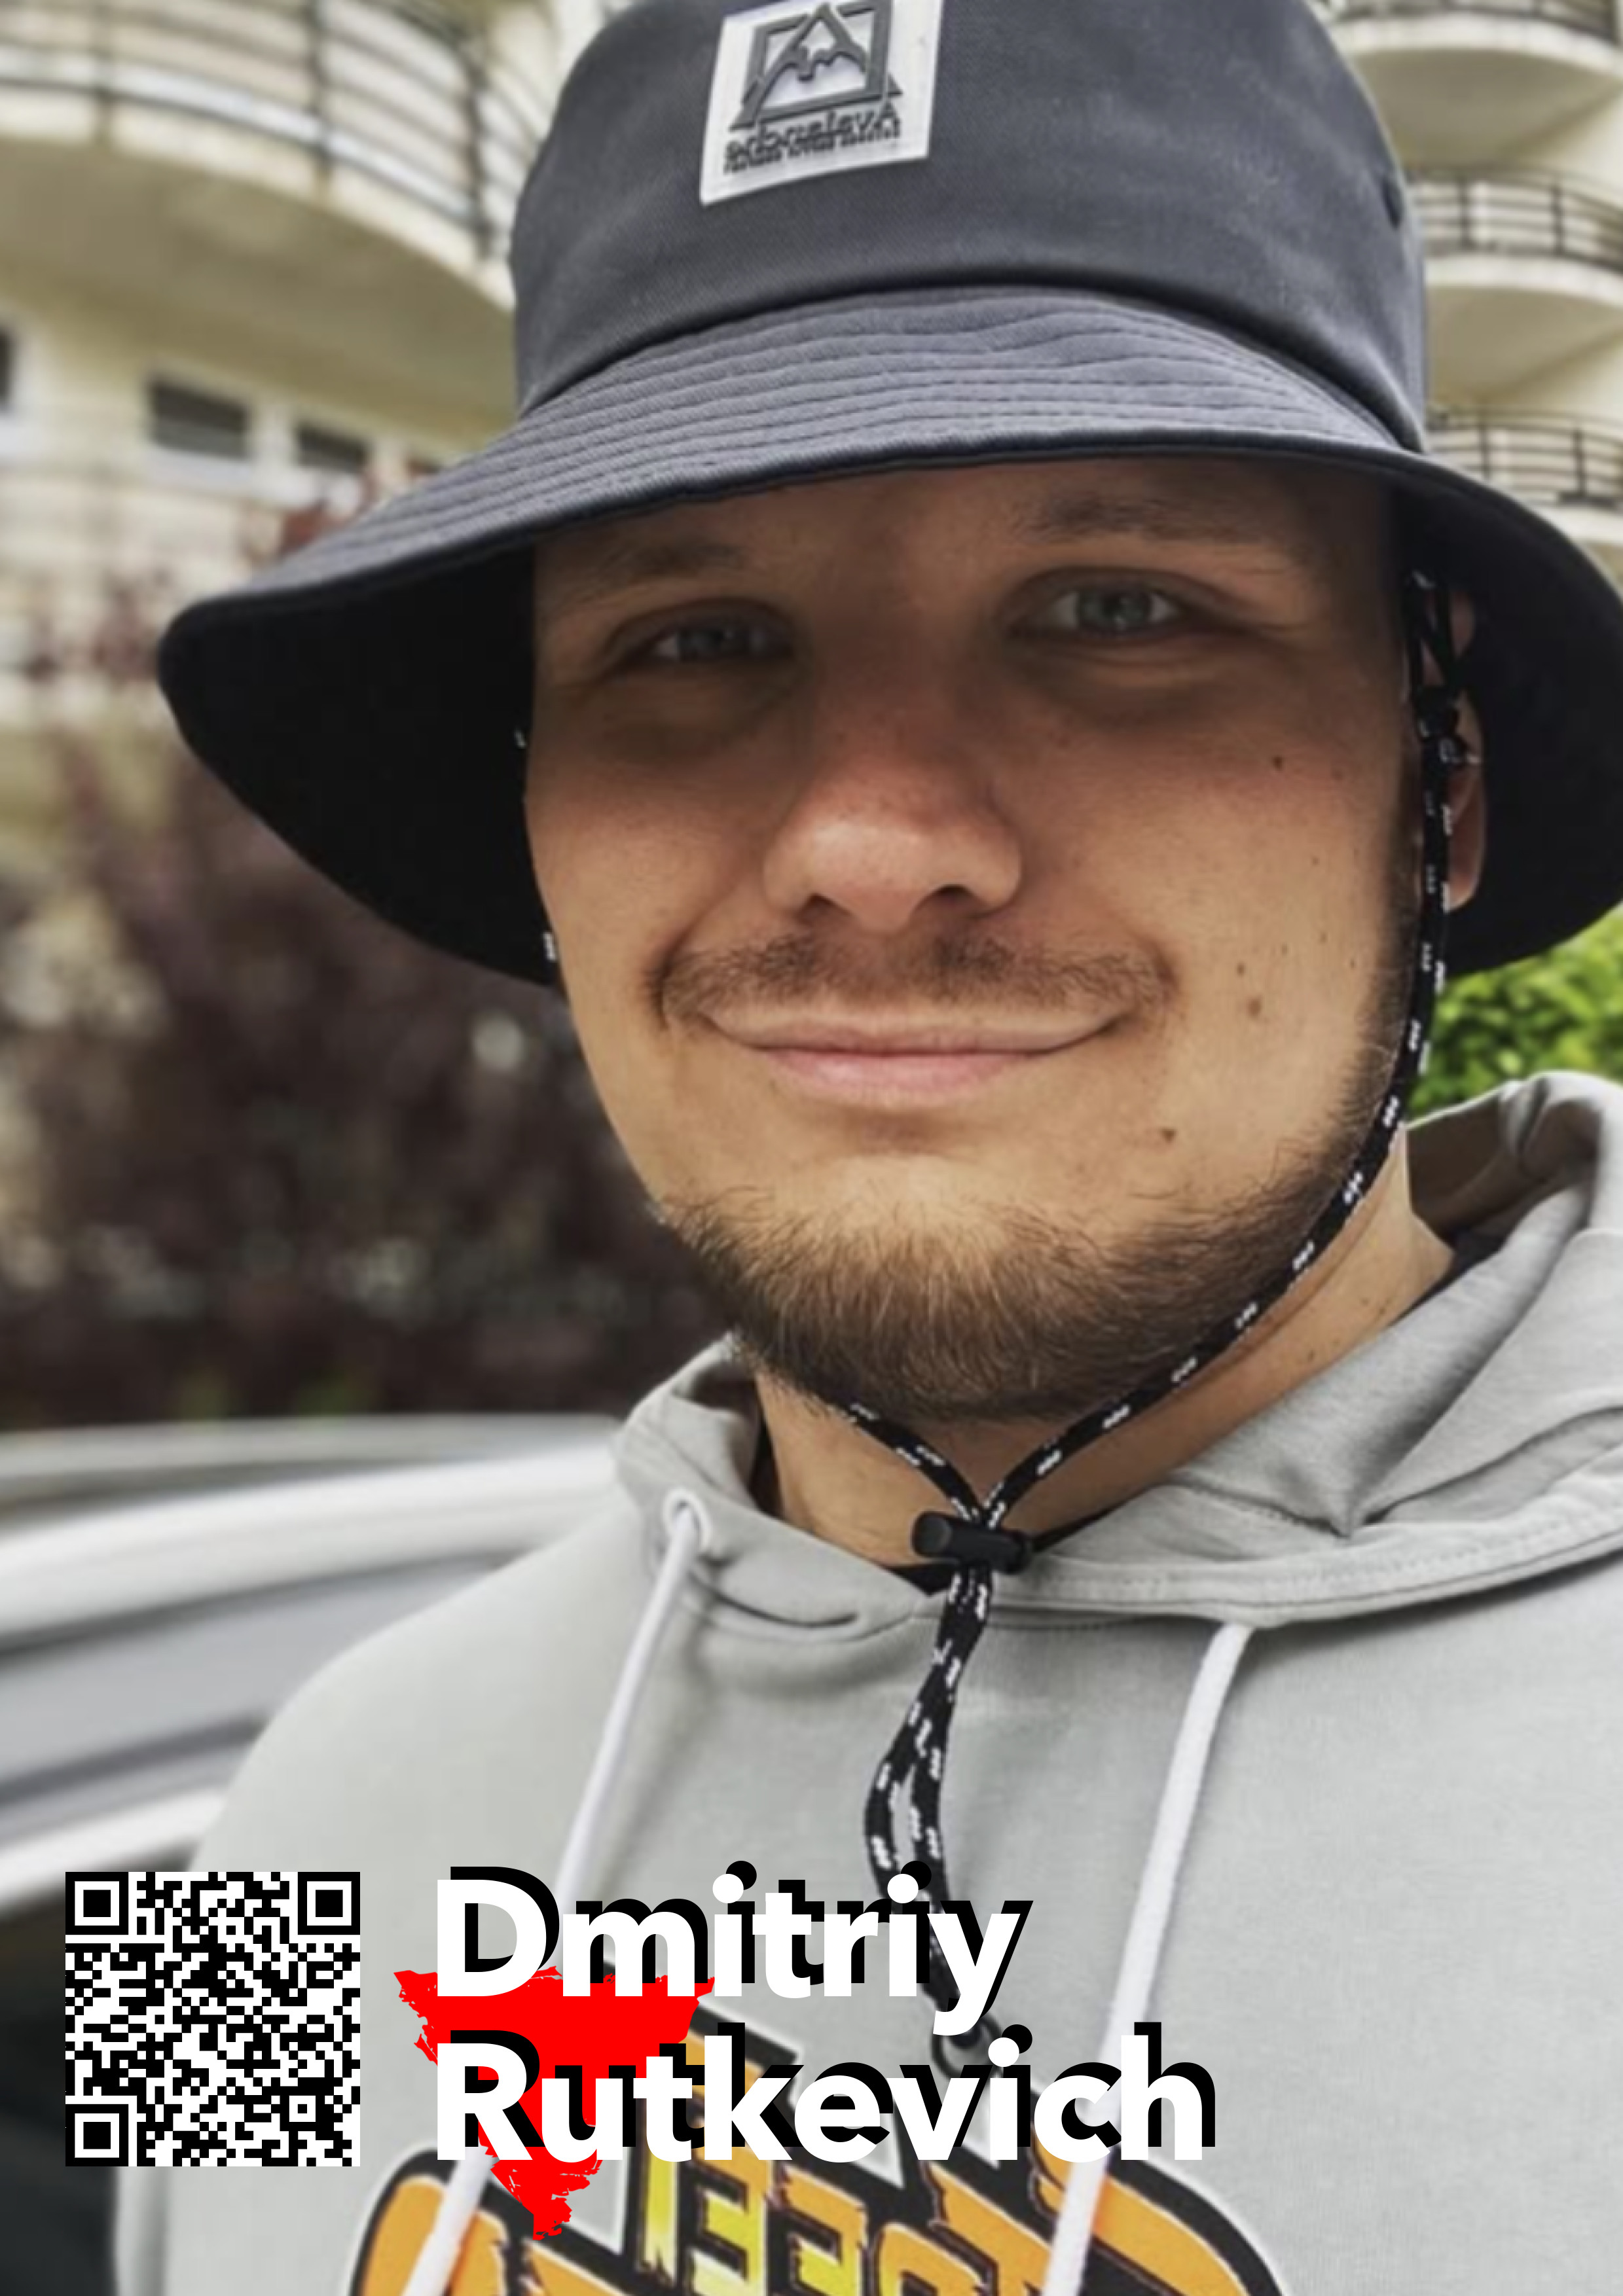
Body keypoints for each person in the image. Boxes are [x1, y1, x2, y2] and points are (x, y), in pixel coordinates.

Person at [120, 0, 1623, 2290]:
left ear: (1447, 783)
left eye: (1120, 608)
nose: (872, 839)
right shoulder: (287, 1818)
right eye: (696, 638)